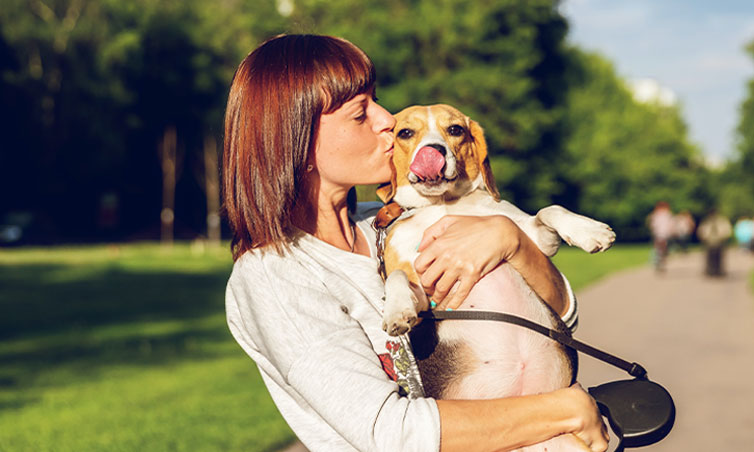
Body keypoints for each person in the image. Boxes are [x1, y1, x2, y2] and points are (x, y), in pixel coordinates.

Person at [222, 34, 608, 452]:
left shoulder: (394, 223)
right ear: (297, 141)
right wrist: (563, 411)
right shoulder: (275, 275)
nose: (386, 119)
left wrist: (511, 240)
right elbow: (389, 433)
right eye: (360, 113)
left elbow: (560, 323)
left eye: (377, 100)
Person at [697, 209, 732, 277]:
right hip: (709, 241)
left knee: (719, 257)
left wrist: (723, 236)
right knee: (709, 258)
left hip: (719, 241)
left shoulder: (721, 221)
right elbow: (702, 230)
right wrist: (704, 236)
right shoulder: (707, 221)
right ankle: (710, 270)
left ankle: (719, 271)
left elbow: (726, 229)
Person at [646, 201, 675, 272]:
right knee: (662, 249)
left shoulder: (656, 214)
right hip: (663, 234)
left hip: (659, 233)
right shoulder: (667, 214)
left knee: (659, 248)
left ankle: (658, 261)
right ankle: (659, 261)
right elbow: (671, 225)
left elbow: (651, 224)